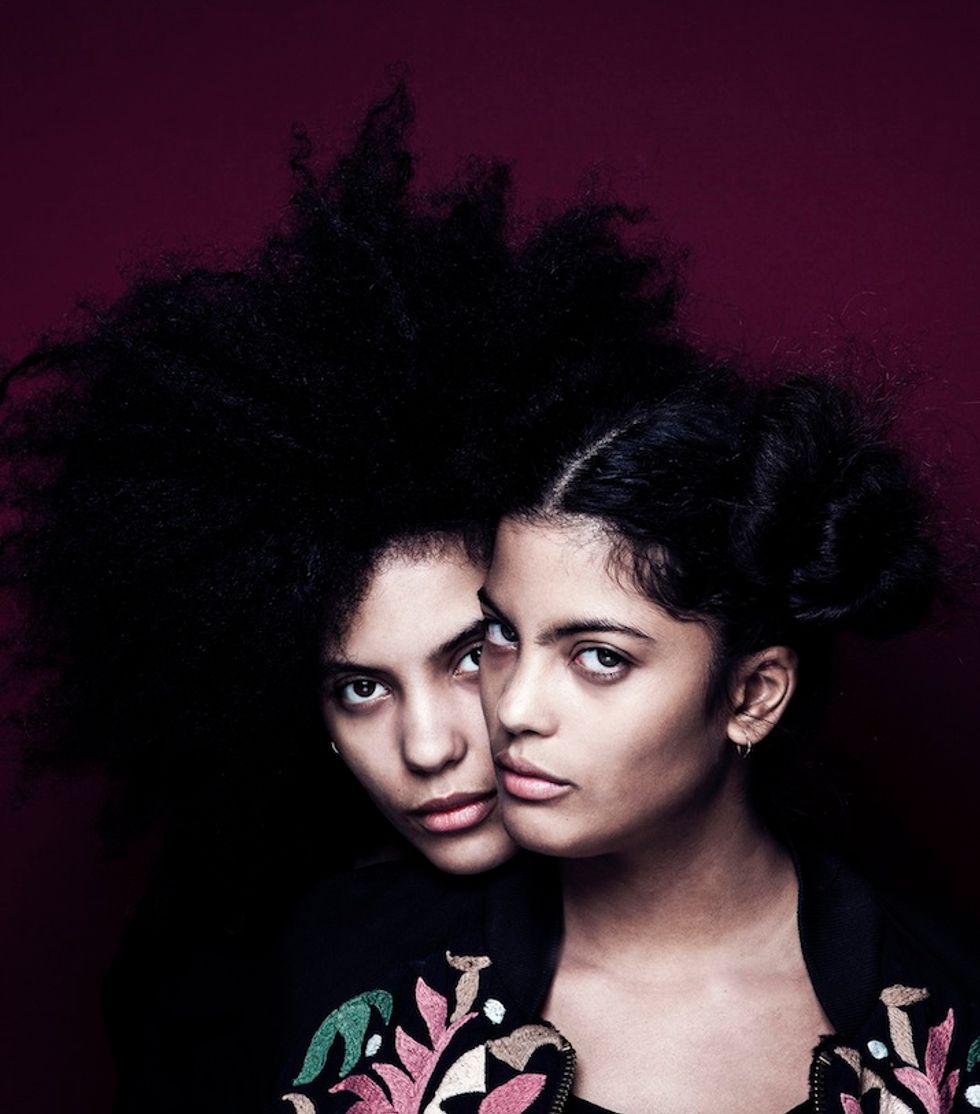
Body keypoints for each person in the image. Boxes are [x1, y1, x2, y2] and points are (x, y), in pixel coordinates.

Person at [0, 87, 684, 1111]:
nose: (425, 746)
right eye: (359, 687)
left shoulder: (828, 947)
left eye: (469, 654)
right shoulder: (219, 978)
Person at [273, 297, 980, 1111]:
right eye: (500, 636)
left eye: (599, 658)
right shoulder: (352, 964)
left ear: (752, 696)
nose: (514, 708)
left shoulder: (945, 1007)